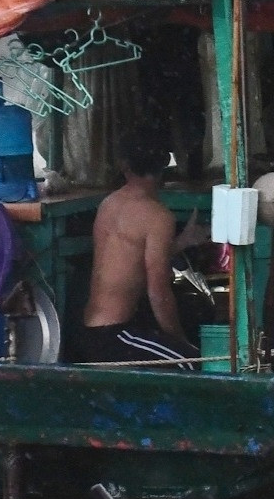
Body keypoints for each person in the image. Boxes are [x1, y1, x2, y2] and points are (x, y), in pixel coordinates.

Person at [75, 131, 207, 368]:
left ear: (124, 165)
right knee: (191, 365)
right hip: (114, 337)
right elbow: (159, 294)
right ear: (165, 163)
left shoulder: (110, 203)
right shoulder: (157, 216)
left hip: (90, 333)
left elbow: (128, 259)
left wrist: (182, 242)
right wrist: (182, 344)